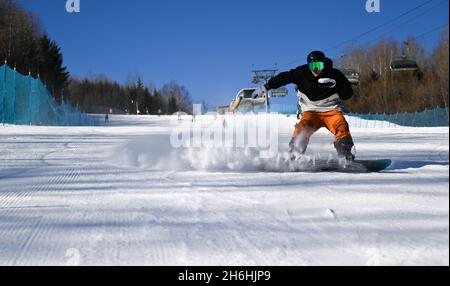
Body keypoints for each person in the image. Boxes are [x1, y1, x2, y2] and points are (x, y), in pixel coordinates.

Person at [252, 50, 355, 161]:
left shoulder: (334, 74)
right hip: (311, 111)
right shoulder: (302, 73)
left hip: (331, 110)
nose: (316, 70)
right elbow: (284, 77)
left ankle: (345, 154)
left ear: (324, 64)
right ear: (308, 65)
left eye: (319, 65)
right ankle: (295, 154)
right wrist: (265, 87)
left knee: (341, 126)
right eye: (312, 66)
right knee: (302, 128)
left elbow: (348, 94)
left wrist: (336, 85)